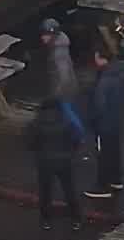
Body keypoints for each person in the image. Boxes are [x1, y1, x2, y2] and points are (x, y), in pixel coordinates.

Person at [27, 97, 84, 229]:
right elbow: (75, 140)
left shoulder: (36, 123)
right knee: (69, 190)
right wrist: (70, 153)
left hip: (44, 162)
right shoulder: (66, 122)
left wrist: (38, 154)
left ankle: (46, 220)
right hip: (64, 162)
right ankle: (76, 219)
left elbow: (30, 143)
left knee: (45, 192)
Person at [84, 48, 124, 199]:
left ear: (100, 58)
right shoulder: (120, 73)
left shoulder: (105, 79)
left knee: (103, 154)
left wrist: (92, 122)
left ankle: (102, 186)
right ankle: (116, 179)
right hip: (116, 120)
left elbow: (99, 105)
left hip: (104, 123)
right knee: (113, 150)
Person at [38, 18, 84, 130]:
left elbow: (63, 75)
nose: (42, 37)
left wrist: (56, 95)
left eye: (45, 35)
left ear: (53, 35)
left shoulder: (58, 53)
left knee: (69, 115)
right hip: (67, 88)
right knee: (69, 113)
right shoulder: (58, 46)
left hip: (64, 91)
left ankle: (80, 137)